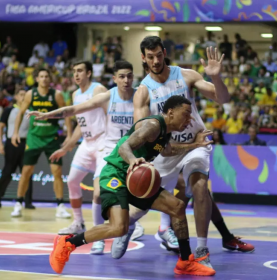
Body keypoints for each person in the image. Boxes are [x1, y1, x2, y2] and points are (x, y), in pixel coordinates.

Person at [114, 37, 254, 267]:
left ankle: (201, 250)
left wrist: (216, 76)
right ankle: (127, 226)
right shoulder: (143, 93)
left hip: (194, 145)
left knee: (200, 186)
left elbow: (224, 98)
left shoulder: (186, 75)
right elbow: (148, 141)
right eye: (150, 57)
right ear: (143, 58)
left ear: (164, 52)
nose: (156, 60)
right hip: (166, 152)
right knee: (138, 209)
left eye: (159, 54)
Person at [49, 96, 216, 276]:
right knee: (118, 227)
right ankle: (68, 243)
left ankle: (185, 261)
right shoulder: (153, 126)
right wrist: (133, 160)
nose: (190, 119)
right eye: (186, 114)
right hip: (116, 174)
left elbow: (168, 151)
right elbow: (124, 147)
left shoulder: (165, 132)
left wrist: (195, 145)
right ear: (170, 112)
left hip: (134, 177)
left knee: (177, 207)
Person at [28, 60, 144, 254]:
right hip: (91, 144)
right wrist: (65, 145)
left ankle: (120, 227)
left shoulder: (100, 90)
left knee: (106, 191)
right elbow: (78, 121)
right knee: (74, 181)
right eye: (74, 71)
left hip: (104, 143)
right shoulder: (75, 94)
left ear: (89, 73)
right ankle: (80, 223)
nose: (76, 75)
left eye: (80, 71)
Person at [10, 68, 72, 218]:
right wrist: (15, 132)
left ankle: (60, 205)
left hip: (52, 138)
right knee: (26, 171)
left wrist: (69, 134)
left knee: (57, 172)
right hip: (34, 138)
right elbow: (20, 113)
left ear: (50, 79)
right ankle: (18, 203)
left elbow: (66, 114)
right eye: (41, 76)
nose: (44, 79)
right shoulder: (31, 94)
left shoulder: (56, 95)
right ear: (37, 79)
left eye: (46, 76)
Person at [0, 90, 34, 208]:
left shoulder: (30, 111)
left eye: (25, 95)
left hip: (26, 143)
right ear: (15, 97)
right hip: (12, 142)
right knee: (8, 171)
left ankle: (27, 201)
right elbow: (1, 126)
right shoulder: (9, 110)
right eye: (21, 95)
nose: (23, 97)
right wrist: (0, 143)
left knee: (27, 172)